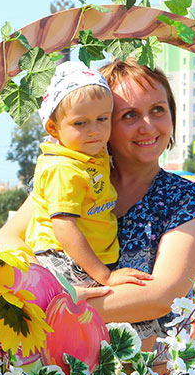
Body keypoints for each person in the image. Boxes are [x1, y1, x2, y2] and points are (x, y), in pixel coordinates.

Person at [0, 58, 195, 347]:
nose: (147, 126)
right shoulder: (71, 173)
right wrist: (46, 289)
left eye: (158, 110)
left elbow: (162, 296)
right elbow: (7, 237)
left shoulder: (183, 198)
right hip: (58, 367)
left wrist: (54, 307)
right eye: (129, 115)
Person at [22, 60, 151, 293]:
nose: (94, 130)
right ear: (53, 128)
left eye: (103, 119)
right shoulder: (63, 168)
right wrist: (106, 275)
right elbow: (64, 227)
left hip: (89, 258)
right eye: (80, 123)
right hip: (64, 259)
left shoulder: (88, 154)